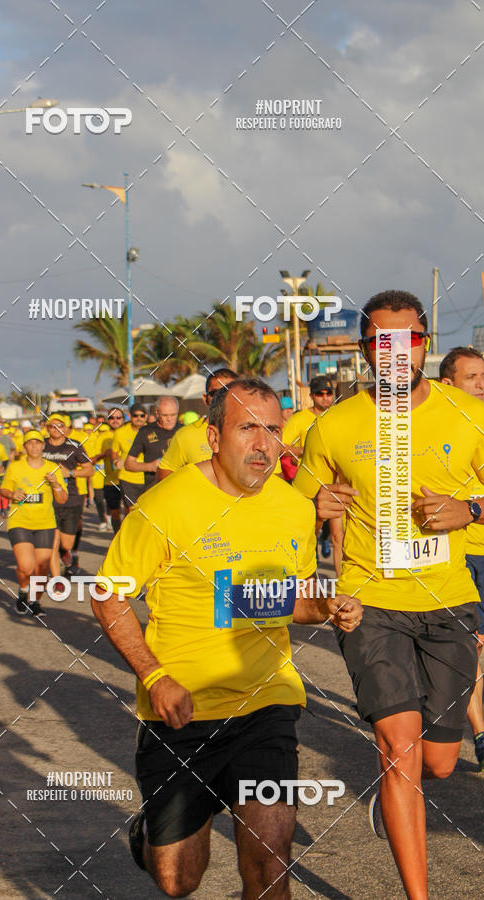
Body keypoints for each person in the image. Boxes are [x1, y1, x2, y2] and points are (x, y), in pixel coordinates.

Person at [93, 377, 361, 899]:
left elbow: (291, 601)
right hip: (183, 708)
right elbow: (108, 595)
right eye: (247, 429)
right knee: (178, 879)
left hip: (267, 703)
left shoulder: (291, 508)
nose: (263, 444)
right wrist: (155, 677)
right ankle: (152, 832)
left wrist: (326, 607)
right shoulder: (166, 505)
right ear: (214, 437)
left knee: (268, 864)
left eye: (274, 430)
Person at [294, 290, 483, 899]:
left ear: (426, 345)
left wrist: (469, 508)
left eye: (411, 340)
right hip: (368, 600)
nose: (397, 353)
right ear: (365, 349)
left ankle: (399, 794)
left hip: (449, 598)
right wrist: (312, 505)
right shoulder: (336, 424)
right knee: (400, 751)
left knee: (441, 763)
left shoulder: (469, 414)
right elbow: (290, 505)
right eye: (383, 341)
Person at [439, 346, 484, 770]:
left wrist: (473, 506)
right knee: (472, 649)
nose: (482, 385)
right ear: (448, 384)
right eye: (473, 378)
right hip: (461, 553)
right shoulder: (434, 430)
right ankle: (482, 733)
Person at [0, 429, 68, 616]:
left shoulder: (53, 468)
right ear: (25, 447)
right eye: (30, 443)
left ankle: (36, 602)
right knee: (26, 566)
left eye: (38, 443)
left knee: (41, 569)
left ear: (43, 445)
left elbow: (62, 499)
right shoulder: (15, 467)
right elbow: (4, 489)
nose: (35, 446)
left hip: (45, 523)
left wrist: (55, 484)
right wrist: (12, 494)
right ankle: (23, 591)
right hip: (19, 521)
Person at [282, 375, 336, 558]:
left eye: (329, 393)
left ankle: (325, 539)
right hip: (308, 483)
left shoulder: (338, 416)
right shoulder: (299, 419)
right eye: (320, 393)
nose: (325, 397)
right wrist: (303, 450)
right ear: (312, 396)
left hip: (334, 482)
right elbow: (280, 446)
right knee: (308, 529)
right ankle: (310, 564)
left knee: (336, 531)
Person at [156, 368, 237, 479]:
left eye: (228, 392)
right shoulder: (185, 435)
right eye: (216, 393)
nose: (222, 398)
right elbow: (165, 471)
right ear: (205, 399)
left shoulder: (255, 432)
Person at [42, 414, 93, 577]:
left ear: (65, 428)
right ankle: (56, 574)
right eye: (52, 426)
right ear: (47, 428)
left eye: (60, 426)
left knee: (66, 542)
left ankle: (68, 555)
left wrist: (69, 472)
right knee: (53, 540)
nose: (56, 429)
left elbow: (89, 469)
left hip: (71, 497)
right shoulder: (41, 446)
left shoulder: (74, 446)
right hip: (48, 499)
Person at [124, 396, 180, 495]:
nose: (169, 419)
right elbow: (128, 464)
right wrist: (150, 466)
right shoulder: (146, 431)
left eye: (173, 415)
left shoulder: (184, 431)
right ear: (157, 413)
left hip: (180, 490)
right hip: (154, 491)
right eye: (165, 415)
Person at [89, 407, 124, 533]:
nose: (115, 420)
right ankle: (117, 538)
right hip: (110, 481)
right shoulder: (102, 437)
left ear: (123, 419)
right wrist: (105, 454)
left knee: (131, 512)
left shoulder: (130, 433)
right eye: (111, 418)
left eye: (118, 417)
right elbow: (93, 459)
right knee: (114, 514)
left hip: (130, 480)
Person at [112, 403, 147, 511]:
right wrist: (115, 461)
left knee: (146, 510)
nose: (139, 418)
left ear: (146, 416)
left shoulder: (152, 431)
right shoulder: (120, 432)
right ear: (130, 416)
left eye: (142, 416)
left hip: (148, 477)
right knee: (131, 510)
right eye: (135, 416)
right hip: (127, 477)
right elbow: (114, 452)